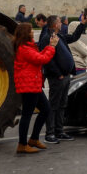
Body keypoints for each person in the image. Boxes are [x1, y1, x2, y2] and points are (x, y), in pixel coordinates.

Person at [39, 15, 86, 142]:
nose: (61, 24)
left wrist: (82, 24)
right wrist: (58, 73)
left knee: (62, 105)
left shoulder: (59, 36)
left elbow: (74, 37)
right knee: (53, 105)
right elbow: (47, 60)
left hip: (65, 76)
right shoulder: (47, 38)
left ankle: (59, 131)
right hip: (57, 77)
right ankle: (50, 134)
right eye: (60, 22)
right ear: (55, 24)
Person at [13, 22, 57, 154]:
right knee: (27, 115)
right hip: (29, 86)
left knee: (46, 109)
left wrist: (49, 46)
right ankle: (22, 144)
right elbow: (41, 59)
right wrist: (52, 47)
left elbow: (38, 56)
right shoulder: (24, 48)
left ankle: (33, 139)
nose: (33, 31)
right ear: (26, 33)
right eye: (31, 30)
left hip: (33, 84)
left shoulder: (27, 46)